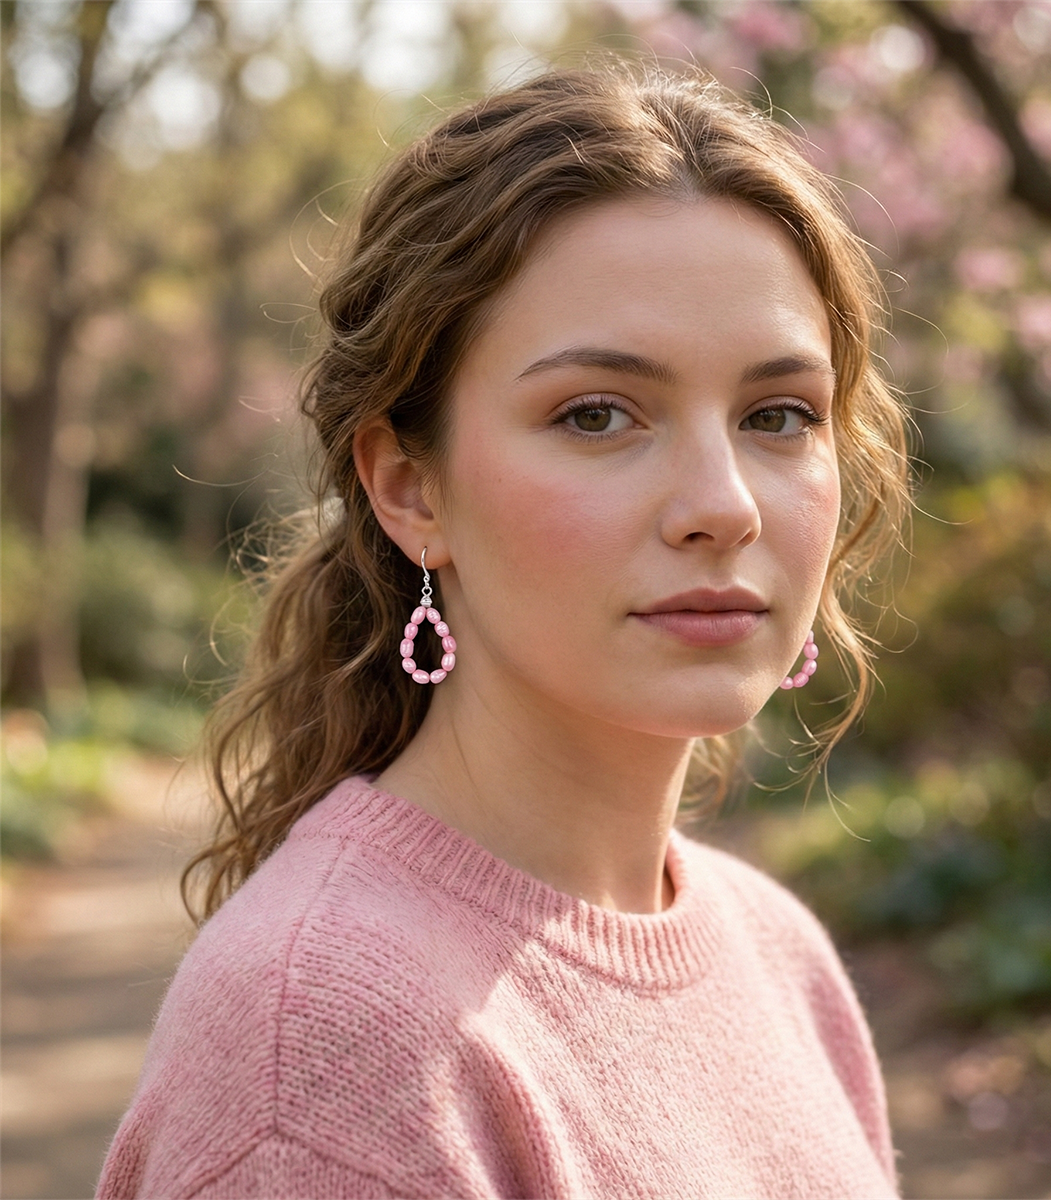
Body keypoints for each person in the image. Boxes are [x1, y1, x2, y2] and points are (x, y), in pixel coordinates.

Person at [97, 62, 909, 1200]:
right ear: (410, 489)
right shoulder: (326, 1060)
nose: (723, 503)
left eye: (778, 415)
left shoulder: (779, 956)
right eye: (596, 414)